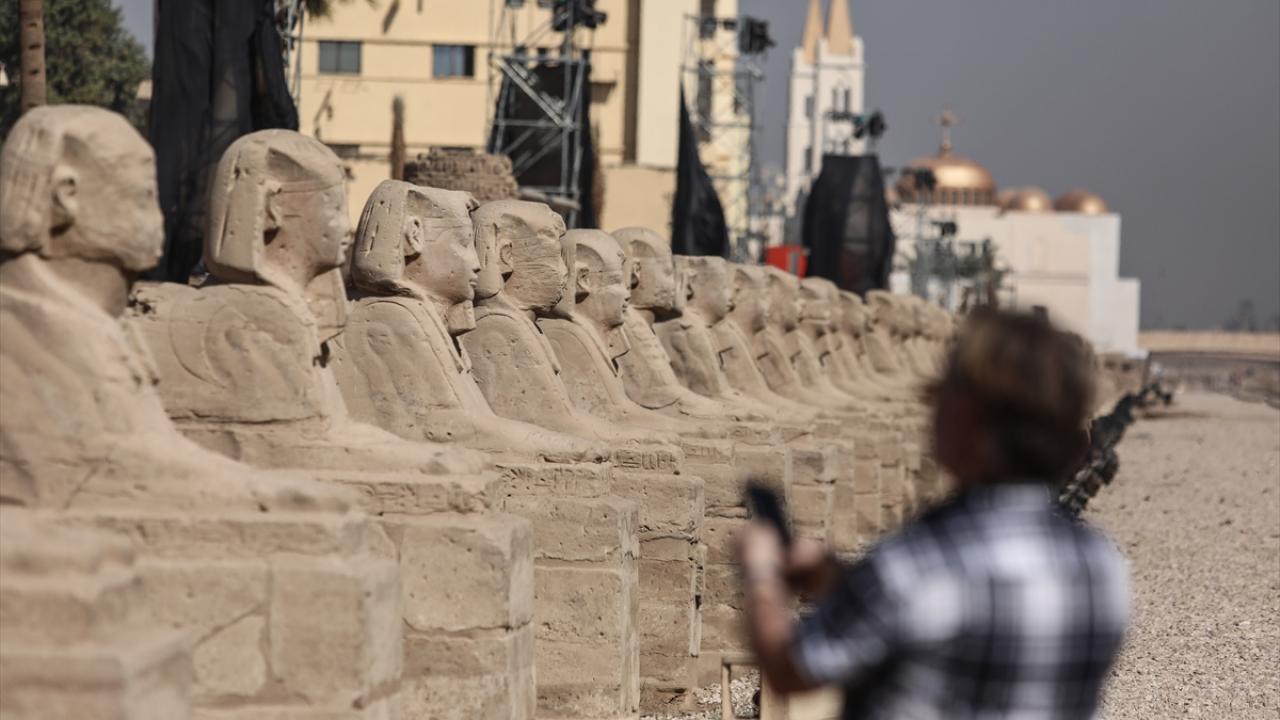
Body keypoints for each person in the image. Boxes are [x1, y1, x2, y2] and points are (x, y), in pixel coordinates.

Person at [736, 308, 1129, 719]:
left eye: (946, 391)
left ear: (969, 421)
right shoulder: (1102, 567)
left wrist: (762, 574)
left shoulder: (912, 567)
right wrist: (839, 580)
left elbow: (791, 668)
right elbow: (936, 616)